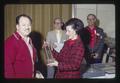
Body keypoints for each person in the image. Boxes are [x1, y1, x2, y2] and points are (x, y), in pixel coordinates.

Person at [4, 14, 44, 78]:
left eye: (29, 25)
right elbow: (6, 69)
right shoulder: (10, 42)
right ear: (17, 27)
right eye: (24, 25)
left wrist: (35, 74)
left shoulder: (30, 40)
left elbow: (29, 62)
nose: (27, 27)